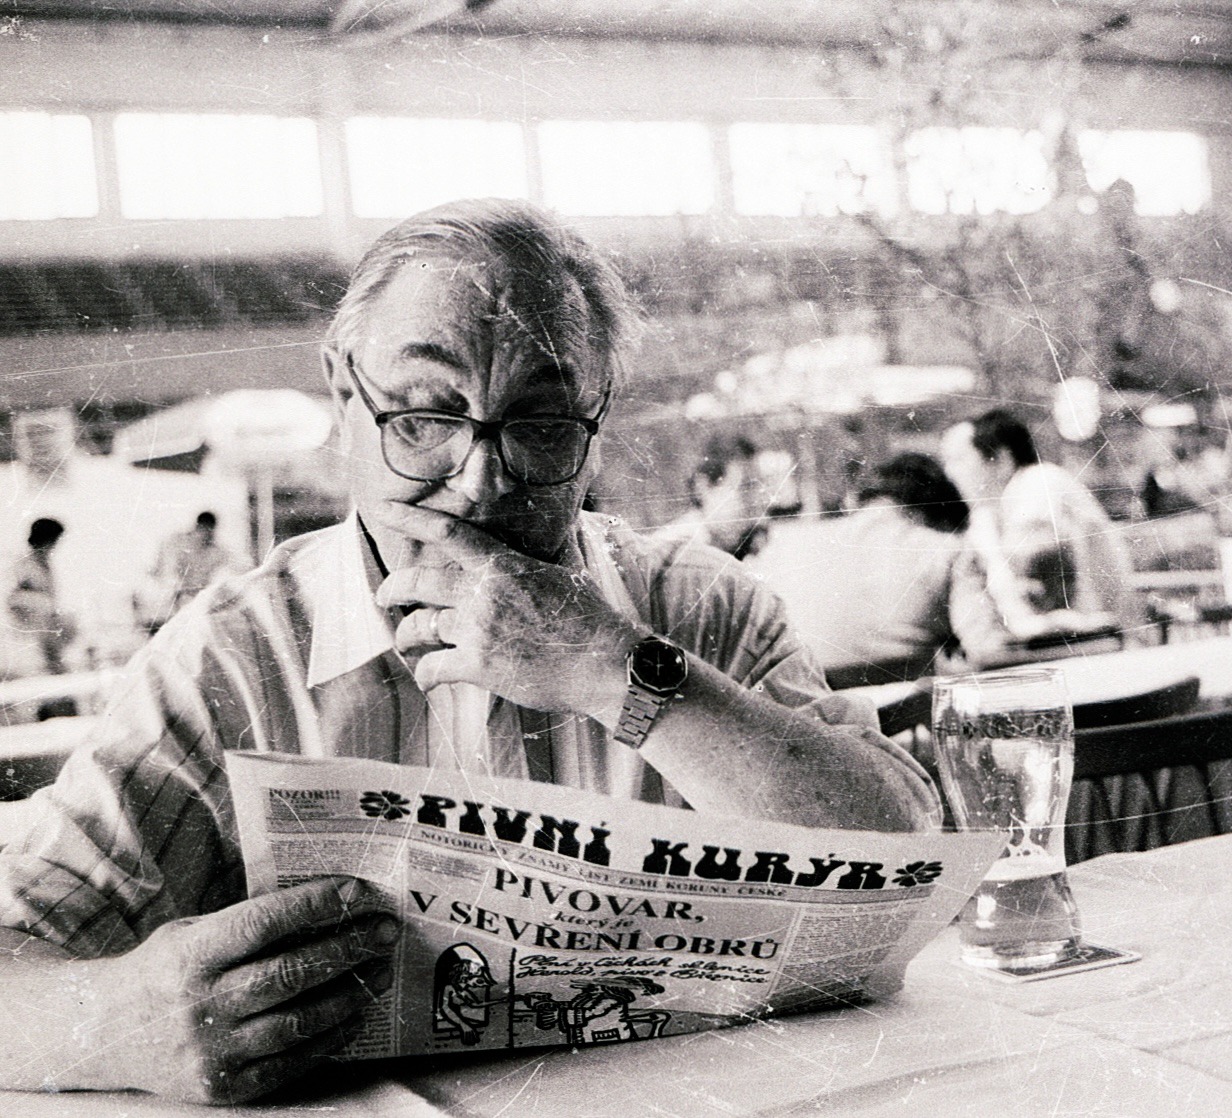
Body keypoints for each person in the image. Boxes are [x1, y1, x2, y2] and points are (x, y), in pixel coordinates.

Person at [0, 199, 938, 1105]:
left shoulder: (699, 609)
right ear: (342, 391)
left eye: (540, 424)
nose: (480, 480)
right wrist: (116, 1017)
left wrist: (615, 669)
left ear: (596, 418)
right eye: (424, 414)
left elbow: (905, 867)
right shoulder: (231, 656)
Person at [751, 452, 968, 685]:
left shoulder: (784, 546)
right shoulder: (944, 548)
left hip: (806, 704)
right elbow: (987, 649)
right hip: (907, 710)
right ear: (923, 515)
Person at [939, 410, 1142, 649]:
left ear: (1001, 460)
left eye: (958, 459)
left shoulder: (1040, 483)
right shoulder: (986, 513)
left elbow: (1030, 582)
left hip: (1096, 640)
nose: (948, 474)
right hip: (1062, 642)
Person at [654, 433, 769, 561]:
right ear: (702, 487)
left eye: (758, 487)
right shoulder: (674, 549)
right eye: (744, 487)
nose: (755, 502)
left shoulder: (734, 546)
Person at [139, 511, 250, 631]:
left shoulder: (217, 550)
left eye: (210, 532)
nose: (206, 536)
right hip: (172, 597)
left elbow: (239, 566)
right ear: (198, 527)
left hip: (196, 601)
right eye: (204, 530)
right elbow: (166, 571)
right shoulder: (177, 543)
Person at [2, 518, 75, 680]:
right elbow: (11, 598)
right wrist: (42, 605)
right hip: (24, 634)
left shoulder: (45, 563)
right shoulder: (22, 562)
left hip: (45, 632)